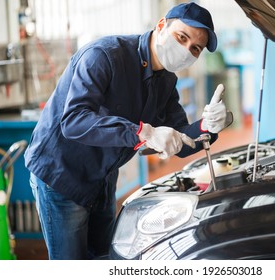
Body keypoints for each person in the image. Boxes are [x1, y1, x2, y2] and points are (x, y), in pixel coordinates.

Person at [24, 2, 229, 260]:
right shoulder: (105, 56)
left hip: (103, 178)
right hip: (63, 174)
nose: (186, 50)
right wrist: (143, 132)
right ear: (161, 25)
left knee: (105, 258)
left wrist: (207, 127)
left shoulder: (166, 80)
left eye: (195, 48)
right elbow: (74, 120)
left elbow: (182, 140)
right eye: (182, 37)